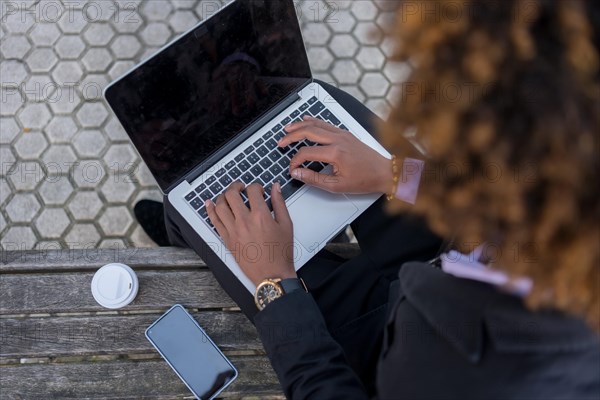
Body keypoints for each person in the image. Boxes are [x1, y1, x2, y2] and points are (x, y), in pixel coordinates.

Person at [135, 0, 600, 398]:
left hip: (383, 345)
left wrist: (276, 285)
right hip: (448, 251)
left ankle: (187, 241)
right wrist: (392, 174)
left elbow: (326, 388)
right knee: (319, 106)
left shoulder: (467, 375)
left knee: (192, 207)